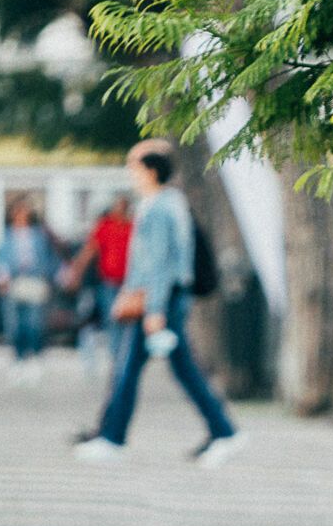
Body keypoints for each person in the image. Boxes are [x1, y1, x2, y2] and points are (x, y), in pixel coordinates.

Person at [73, 142, 244, 467]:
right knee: (172, 370)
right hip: (160, 300)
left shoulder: (162, 207)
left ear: (151, 170)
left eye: (134, 165)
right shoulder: (162, 203)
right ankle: (220, 431)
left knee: (134, 369)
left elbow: (161, 264)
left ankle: (113, 437)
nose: (130, 172)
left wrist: (154, 310)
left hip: (159, 301)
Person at [64, 195, 135, 374]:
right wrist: (76, 273)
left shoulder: (133, 226)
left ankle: (124, 358)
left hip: (129, 283)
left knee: (127, 323)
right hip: (108, 282)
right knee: (112, 321)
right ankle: (117, 359)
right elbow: (89, 251)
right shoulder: (105, 226)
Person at [0, 199, 58, 384]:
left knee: (34, 324)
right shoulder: (7, 236)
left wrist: (54, 278)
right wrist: (0, 278)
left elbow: (48, 260)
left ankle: (34, 358)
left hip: (34, 283)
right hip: (14, 284)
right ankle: (18, 360)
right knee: (15, 326)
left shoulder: (39, 236)